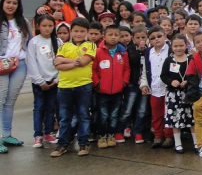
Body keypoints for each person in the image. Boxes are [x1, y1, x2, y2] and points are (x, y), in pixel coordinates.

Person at [50, 17, 96, 157]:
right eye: (76, 31)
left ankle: (83, 143)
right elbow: (57, 65)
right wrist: (70, 62)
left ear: (87, 32)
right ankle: (62, 144)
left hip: (83, 86)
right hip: (64, 87)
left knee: (83, 115)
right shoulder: (64, 46)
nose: (78, 34)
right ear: (71, 31)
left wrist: (64, 61)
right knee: (64, 117)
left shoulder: (90, 46)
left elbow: (84, 62)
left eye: (82, 31)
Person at [0, 0, 32, 153]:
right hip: (1, 64)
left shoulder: (24, 22)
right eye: (8, 2)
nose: (11, 5)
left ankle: (6, 134)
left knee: (10, 101)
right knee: (0, 99)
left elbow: (30, 43)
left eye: (14, 3)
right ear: (3, 3)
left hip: (19, 64)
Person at [92, 25, 130, 149]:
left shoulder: (123, 52)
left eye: (116, 35)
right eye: (110, 35)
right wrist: (97, 83)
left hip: (118, 90)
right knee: (103, 115)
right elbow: (93, 69)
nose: (113, 38)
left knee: (114, 115)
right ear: (104, 36)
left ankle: (111, 134)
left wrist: (124, 81)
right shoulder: (98, 51)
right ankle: (101, 135)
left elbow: (126, 69)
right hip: (102, 90)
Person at [26, 13, 60, 148]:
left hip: (54, 81)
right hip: (39, 83)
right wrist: (40, 81)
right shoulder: (34, 42)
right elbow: (32, 63)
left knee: (51, 108)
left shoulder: (58, 42)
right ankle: (38, 135)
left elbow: (60, 62)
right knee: (39, 108)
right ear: (38, 26)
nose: (47, 28)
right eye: (44, 26)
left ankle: (48, 132)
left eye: (50, 26)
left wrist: (57, 79)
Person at [140, 25, 174, 149]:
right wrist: (144, 84)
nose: (157, 39)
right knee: (156, 113)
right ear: (149, 40)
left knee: (169, 112)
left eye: (159, 36)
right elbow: (144, 69)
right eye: (153, 38)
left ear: (165, 36)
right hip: (154, 88)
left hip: (168, 88)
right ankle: (158, 135)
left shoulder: (171, 50)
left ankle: (169, 136)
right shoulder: (148, 52)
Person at [160, 35, 195, 153]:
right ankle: (178, 144)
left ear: (186, 46)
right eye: (175, 46)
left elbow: (196, 74)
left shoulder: (190, 59)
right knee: (175, 119)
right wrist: (171, 81)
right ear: (171, 46)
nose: (178, 48)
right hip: (173, 95)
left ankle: (196, 143)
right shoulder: (169, 60)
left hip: (188, 94)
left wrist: (188, 81)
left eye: (181, 45)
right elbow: (163, 75)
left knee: (192, 118)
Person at [117, 25, 148, 144]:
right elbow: (133, 60)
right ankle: (119, 130)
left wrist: (144, 50)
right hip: (133, 84)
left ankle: (138, 132)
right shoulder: (130, 49)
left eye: (143, 37)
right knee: (127, 109)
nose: (141, 39)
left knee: (142, 110)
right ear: (133, 38)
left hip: (145, 84)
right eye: (138, 37)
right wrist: (140, 51)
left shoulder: (149, 49)